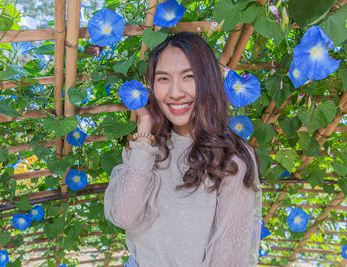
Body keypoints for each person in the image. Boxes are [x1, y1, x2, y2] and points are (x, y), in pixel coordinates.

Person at [104, 32, 262, 267]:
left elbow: (227, 259)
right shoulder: (145, 146)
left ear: (208, 80)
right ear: (151, 87)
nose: (176, 92)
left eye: (188, 76)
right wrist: (145, 126)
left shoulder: (232, 156)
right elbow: (125, 216)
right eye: (163, 79)